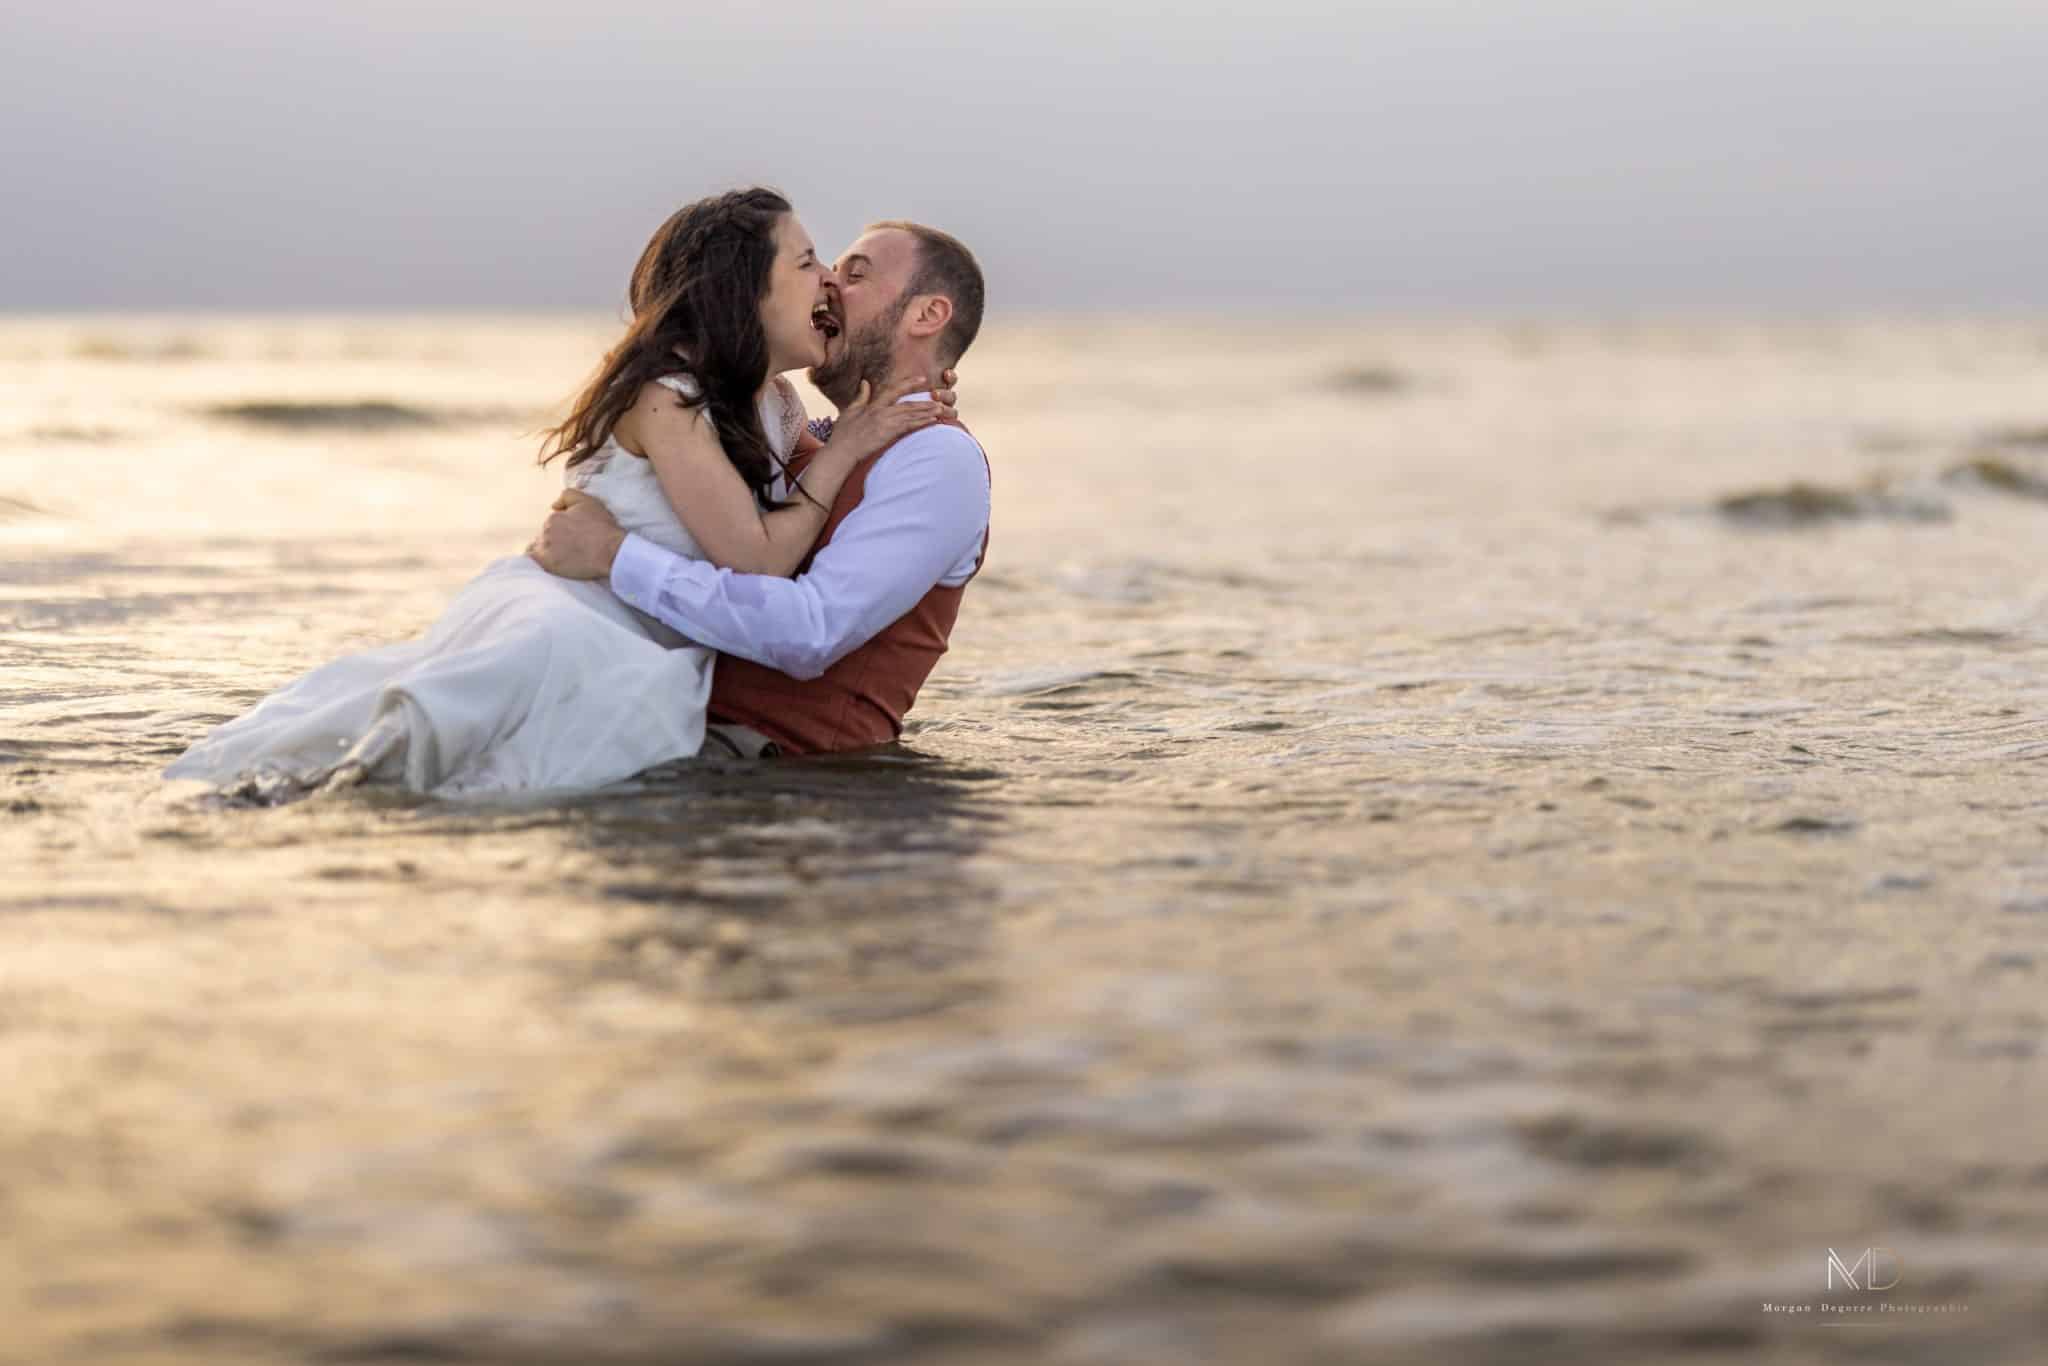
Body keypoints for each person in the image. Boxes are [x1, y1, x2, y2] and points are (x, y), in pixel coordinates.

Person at [164, 188, 953, 799]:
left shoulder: (773, 405)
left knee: (476, 780)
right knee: (405, 752)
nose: (825, 281)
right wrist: (858, 431)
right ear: (746, 290)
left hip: (642, 642)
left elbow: (809, 481)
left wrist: (900, 406)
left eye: (842, 268)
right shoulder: (669, 396)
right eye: (810, 260)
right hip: (573, 620)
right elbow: (760, 556)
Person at [529, 219, 992, 759]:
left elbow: (812, 631)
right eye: (825, 269)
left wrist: (613, 555)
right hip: (680, 736)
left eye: (856, 274)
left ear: (927, 315)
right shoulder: (820, 439)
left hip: (782, 777)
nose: (828, 286)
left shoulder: (938, 458)